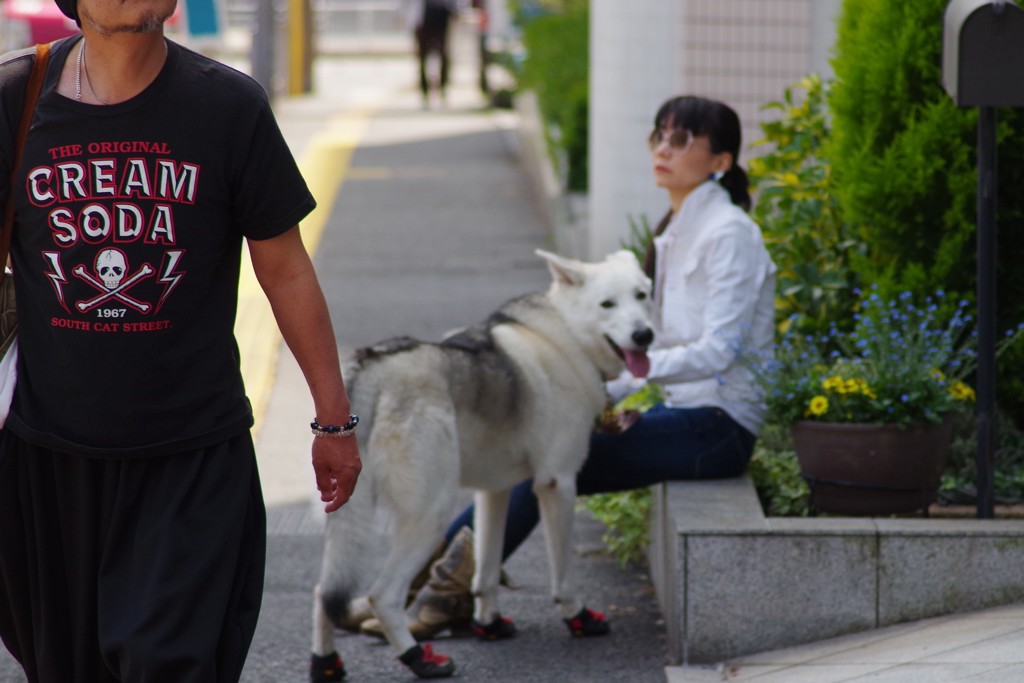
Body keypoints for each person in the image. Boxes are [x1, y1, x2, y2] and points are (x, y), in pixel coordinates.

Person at [0, 0, 361, 680]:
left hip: (191, 459)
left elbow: (285, 268)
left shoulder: (227, 107)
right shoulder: (16, 99)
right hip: (48, 463)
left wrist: (333, 419)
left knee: (170, 663)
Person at [361, 95, 777, 640]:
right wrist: (607, 392)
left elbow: (718, 352)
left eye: (680, 140)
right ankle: (417, 586)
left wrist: (613, 384)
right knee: (534, 449)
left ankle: (439, 593)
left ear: (720, 161)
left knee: (540, 457)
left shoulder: (729, 235)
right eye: (658, 136)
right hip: (684, 412)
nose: (663, 149)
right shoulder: (680, 227)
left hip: (720, 427)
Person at [400, 0, 458, 107]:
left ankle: (443, 89)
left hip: (441, 16)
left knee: (443, 55)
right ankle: (424, 92)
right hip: (423, 19)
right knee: (422, 58)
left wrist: (456, 11)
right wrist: (402, 14)